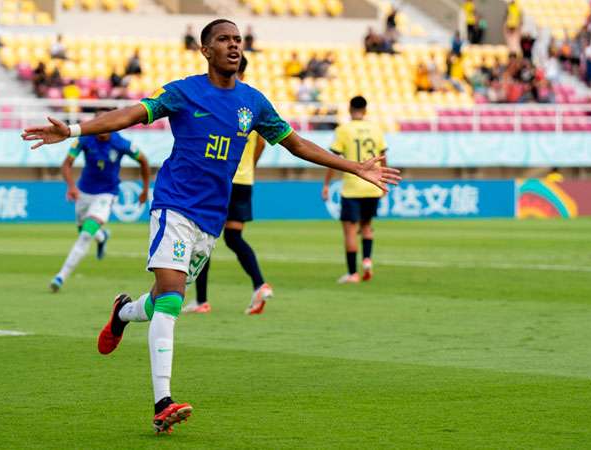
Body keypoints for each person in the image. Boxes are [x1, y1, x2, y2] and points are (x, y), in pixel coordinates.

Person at [22, 19, 400, 434]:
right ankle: (162, 402)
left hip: (210, 218)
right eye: (223, 39)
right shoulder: (183, 92)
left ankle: (122, 314)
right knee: (171, 299)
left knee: (159, 301)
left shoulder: (253, 103)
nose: (233, 45)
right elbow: (131, 114)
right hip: (174, 205)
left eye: (238, 40)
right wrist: (74, 129)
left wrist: (353, 167)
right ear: (205, 50)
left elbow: (297, 144)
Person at [184, 56, 273, 315]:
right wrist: (250, 167)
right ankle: (259, 284)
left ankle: (201, 300)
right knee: (234, 238)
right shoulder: (254, 103)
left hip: (220, 181)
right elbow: (262, 143)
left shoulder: (223, 100)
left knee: (203, 237)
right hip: (244, 181)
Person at [50, 112, 151, 292]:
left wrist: (144, 189)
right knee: (84, 228)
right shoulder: (84, 139)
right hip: (83, 192)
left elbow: (143, 161)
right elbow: (67, 164)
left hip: (106, 194)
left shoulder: (121, 143)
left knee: (85, 235)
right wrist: (71, 187)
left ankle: (60, 276)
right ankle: (102, 236)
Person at [322, 96, 388, 284]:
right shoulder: (376, 129)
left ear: (350, 109)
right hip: (372, 186)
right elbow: (383, 157)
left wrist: (327, 184)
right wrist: (382, 180)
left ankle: (353, 273)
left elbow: (332, 159)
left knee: (350, 231)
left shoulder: (343, 130)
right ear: (365, 110)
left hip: (352, 187)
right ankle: (367, 260)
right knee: (366, 226)